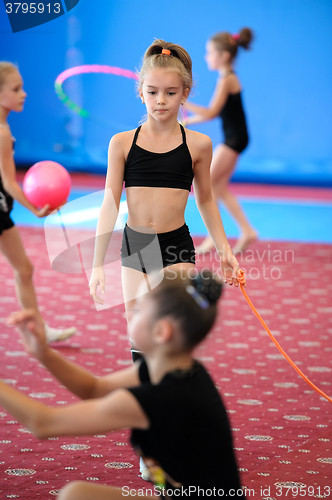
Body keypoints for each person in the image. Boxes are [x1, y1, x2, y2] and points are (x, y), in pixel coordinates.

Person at [3, 269, 243, 499]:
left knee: (73, 495)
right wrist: (43, 353)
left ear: (162, 331)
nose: (129, 313)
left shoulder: (155, 399)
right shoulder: (178, 370)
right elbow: (94, 390)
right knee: (77, 495)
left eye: (137, 309)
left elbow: (43, 424)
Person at [88, 39, 240, 360]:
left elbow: (207, 201)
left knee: (163, 319)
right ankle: (147, 397)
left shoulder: (198, 145)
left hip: (176, 245)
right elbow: (110, 203)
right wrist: (97, 263)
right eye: (153, 92)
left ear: (185, 94)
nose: (161, 101)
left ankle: (170, 392)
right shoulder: (122, 143)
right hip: (136, 244)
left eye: (171, 93)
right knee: (137, 328)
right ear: (140, 92)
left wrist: (225, 251)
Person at [0, 61, 76, 343]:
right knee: (24, 269)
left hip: (2, 212)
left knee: (25, 269)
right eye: (16, 89)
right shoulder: (2, 132)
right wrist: (35, 210)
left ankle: (38, 330)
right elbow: (8, 182)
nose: (24, 94)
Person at [183, 28, 258, 255]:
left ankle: (213, 237)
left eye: (209, 53)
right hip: (236, 138)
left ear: (224, 55)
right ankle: (247, 231)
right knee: (218, 187)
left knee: (204, 186)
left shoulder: (227, 79)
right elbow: (212, 113)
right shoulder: (227, 77)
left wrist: (183, 104)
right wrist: (186, 120)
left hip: (234, 140)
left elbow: (211, 112)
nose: (206, 57)